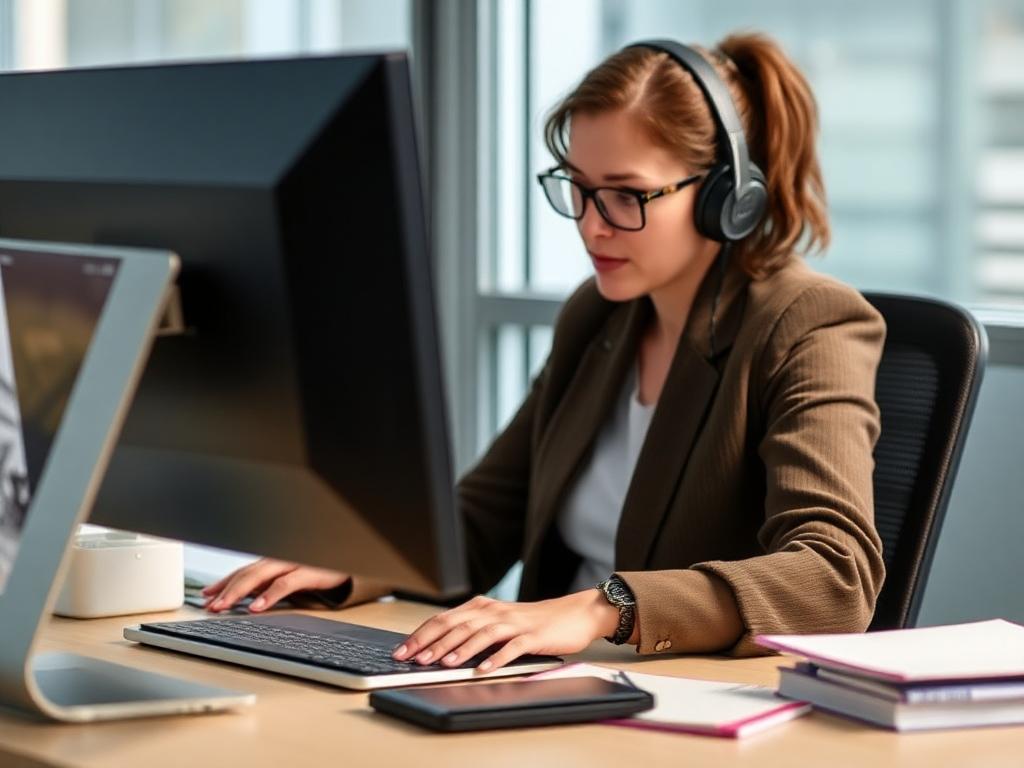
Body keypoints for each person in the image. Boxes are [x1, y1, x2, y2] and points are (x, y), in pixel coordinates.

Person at [203, 33, 886, 672]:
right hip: (549, 682)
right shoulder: (599, 317)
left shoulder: (808, 324)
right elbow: (484, 517)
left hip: (683, 700)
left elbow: (835, 574)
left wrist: (600, 609)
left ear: (723, 200)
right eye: (579, 188)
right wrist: (358, 564)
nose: (591, 225)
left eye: (625, 195)